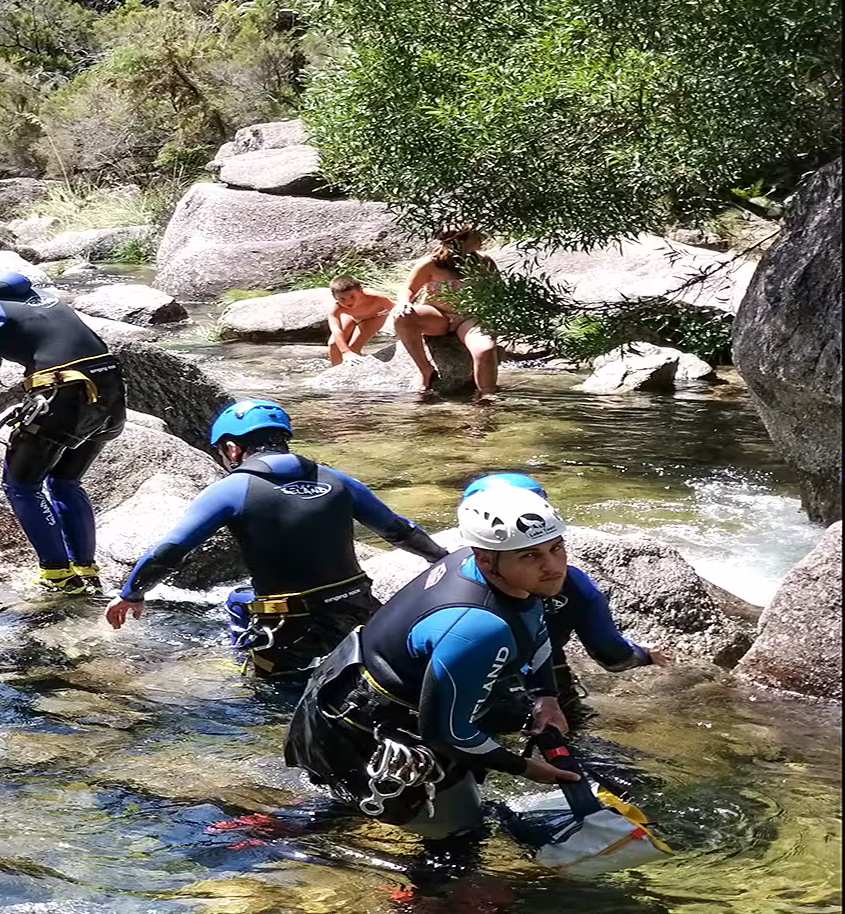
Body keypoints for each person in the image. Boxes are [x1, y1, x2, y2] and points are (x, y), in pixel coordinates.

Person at [283, 483, 581, 845]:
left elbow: (533, 627)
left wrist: (546, 697)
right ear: (486, 558)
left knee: (434, 803)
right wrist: (530, 770)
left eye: (557, 548)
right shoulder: (478, 626)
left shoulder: (491, 570)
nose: (553, 567)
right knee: (460, 837)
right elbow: (447, 733)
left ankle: (288, 824)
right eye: (530, 556)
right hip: (358, 726)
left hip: (354, 688)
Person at [105, 400, 453, 675]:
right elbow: (398, 530)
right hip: (360, 612)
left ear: (232, 449)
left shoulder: (233, 489)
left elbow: (170, 550)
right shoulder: (336, 478)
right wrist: (441, 558)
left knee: (272, 693)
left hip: (289, 627)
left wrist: (130, 593)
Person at [0, 246, 127, 594]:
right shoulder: (40, 295)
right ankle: (86, 571)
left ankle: (58, 576)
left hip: (65, 397)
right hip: (110, 393)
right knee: (65, 482)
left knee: (22, 485)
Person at [455, 474, 671, 717]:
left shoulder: (455, 580)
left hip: (467, 692)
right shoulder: (573, 585)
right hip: (547, 686)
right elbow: (611, 654)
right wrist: (643, 655)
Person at [393, 225, 500, 403]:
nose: (481, 238)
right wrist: (404, 302)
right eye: (476, 235)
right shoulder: (431, 263)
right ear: (461, 240)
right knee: (402, 317)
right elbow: (408, 288)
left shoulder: (484, 262)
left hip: (470, 318)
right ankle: (426, 371)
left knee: (485, 349)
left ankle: (487, 397)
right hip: (437, 315)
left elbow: (499, 292)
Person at [327, 274, 395, 366]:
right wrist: (345, 352)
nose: (348, 302)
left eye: (352, 296)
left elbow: (397, 311)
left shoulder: (377, 297)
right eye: (342, 298)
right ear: (334, 297)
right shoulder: (337, 308)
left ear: (361, 290)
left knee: (353, 348)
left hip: (374, 317)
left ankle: (355, 371)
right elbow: (336, 330)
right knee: (333, 344)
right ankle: (336, 373)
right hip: (352, 316)